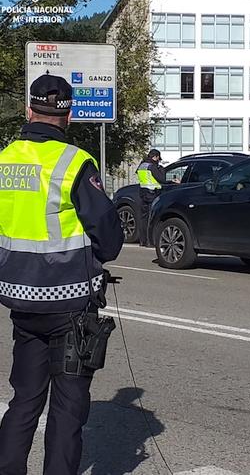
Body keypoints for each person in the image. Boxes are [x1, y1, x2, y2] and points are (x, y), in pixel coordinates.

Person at [0, 74, 124, 475]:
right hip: (69, 301)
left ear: (28, 109)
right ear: (67, 115)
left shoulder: (4, 159)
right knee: (68, 406)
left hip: (18, 298)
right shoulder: (74, 161)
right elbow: (107, 233)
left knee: (24, 400)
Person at [136, 148, 177, 247]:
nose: (158, 161)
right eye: (158, 159)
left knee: (143, 218)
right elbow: (161, 179)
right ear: (155, 157)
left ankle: (143, 241)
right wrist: (171, 180)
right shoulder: (152, 167)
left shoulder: (142, 165)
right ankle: (150, 242)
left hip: (143, 193)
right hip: (152, 193)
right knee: (151, 218)